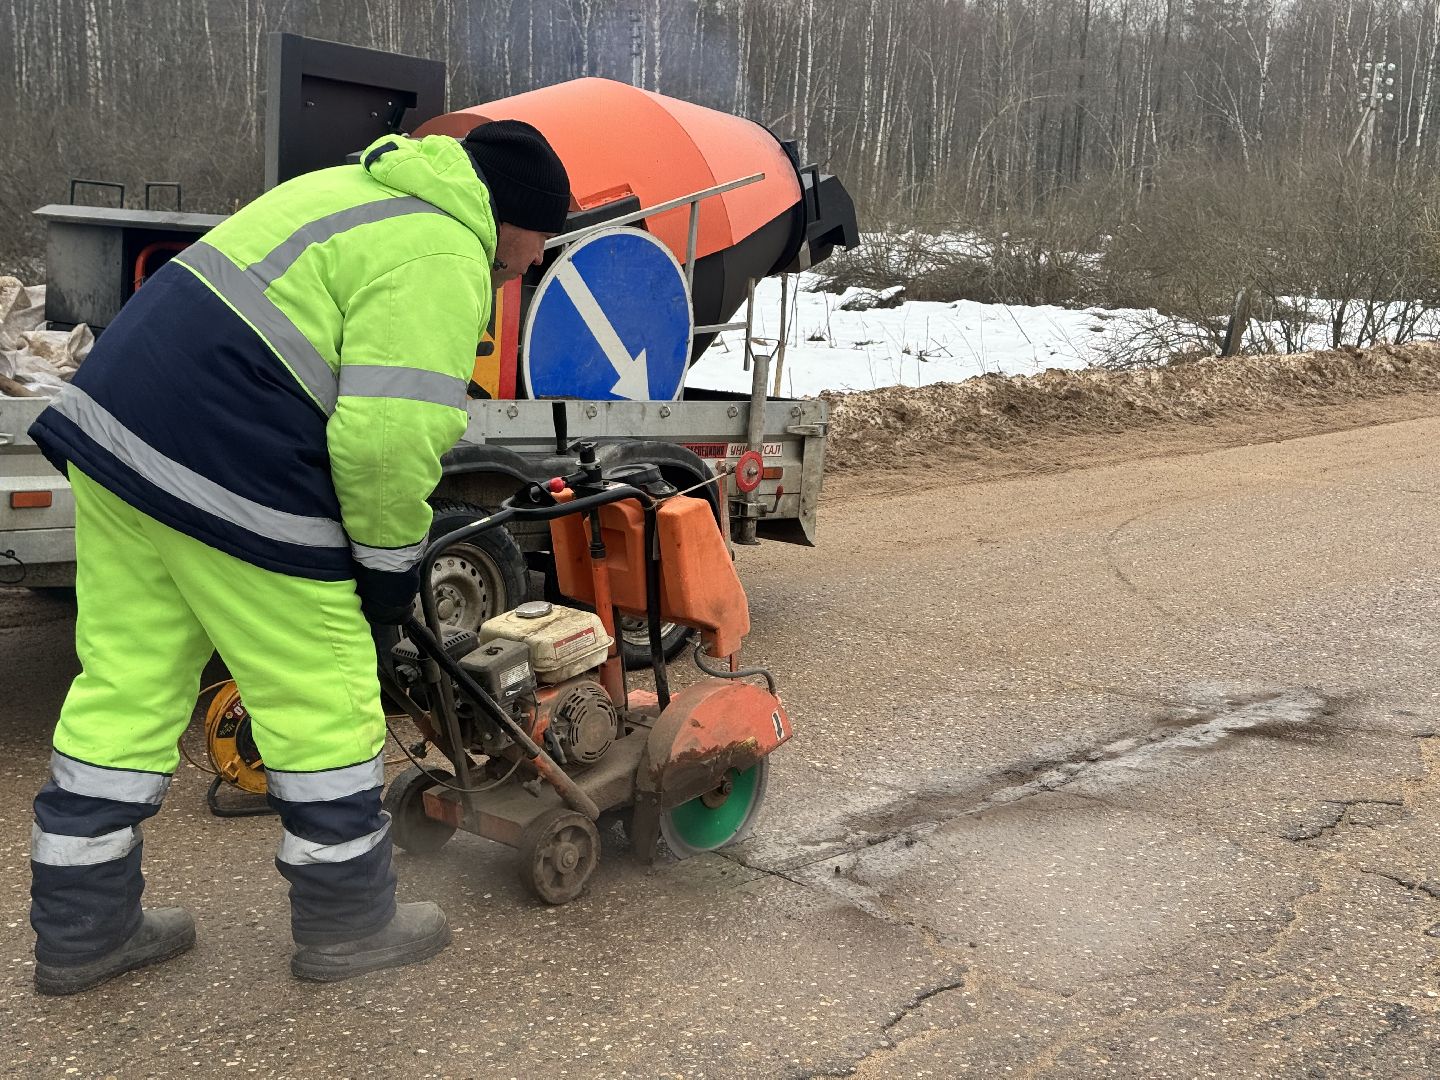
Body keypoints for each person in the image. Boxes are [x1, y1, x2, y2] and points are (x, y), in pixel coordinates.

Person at [25, 119, 572, 994]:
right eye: (534, 249)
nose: (528, 268)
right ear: (515, 217)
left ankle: (83, 928)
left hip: (115, 438)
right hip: (231, 462)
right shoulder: (443, 248)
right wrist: (389, 575)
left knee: (125, 684)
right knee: (324, 693)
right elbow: (388, 444)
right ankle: (350, 925)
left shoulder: (346, 192)